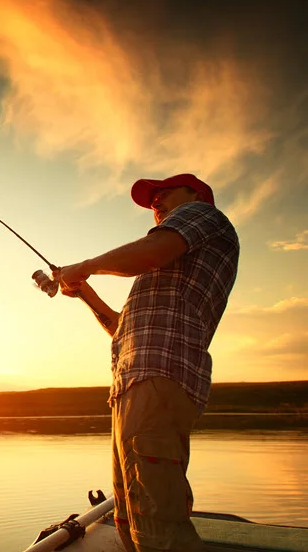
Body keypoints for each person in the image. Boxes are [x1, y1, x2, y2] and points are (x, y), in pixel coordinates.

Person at [55, 173, 239, 552]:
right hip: (136, 384)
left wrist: (84, 266)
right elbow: (123, 331)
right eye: (153, 199)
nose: (156, 202)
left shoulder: (202, 215)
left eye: (165, 193)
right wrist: (83, 291)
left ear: (197, 193)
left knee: (159, 527)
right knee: (131, 517)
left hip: (157, 379)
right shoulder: (173, 258)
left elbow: (147, 253)